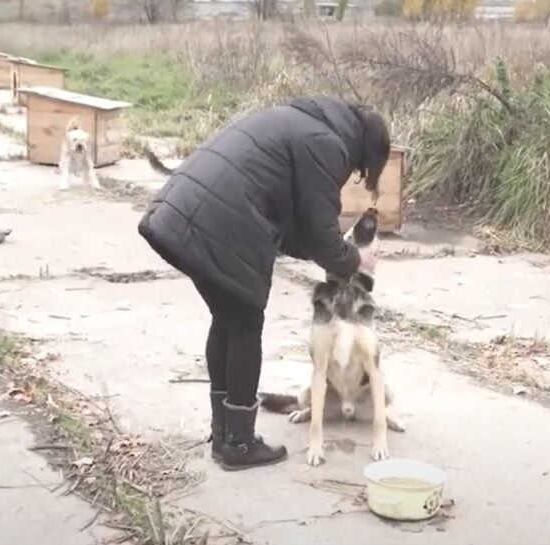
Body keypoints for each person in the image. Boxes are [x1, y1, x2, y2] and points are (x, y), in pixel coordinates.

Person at [137, 96, 391, 471]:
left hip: (178, 212)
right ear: (364, 151)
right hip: (217, 220)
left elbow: (296, 229)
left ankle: (224, 433)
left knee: (226, 320)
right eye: (360, 169)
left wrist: (334, 255)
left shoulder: (303, 123)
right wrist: (356, 260)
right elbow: (321, 234)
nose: (354, 173)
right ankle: (238, 444)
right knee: (244, 324)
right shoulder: (328, 145)